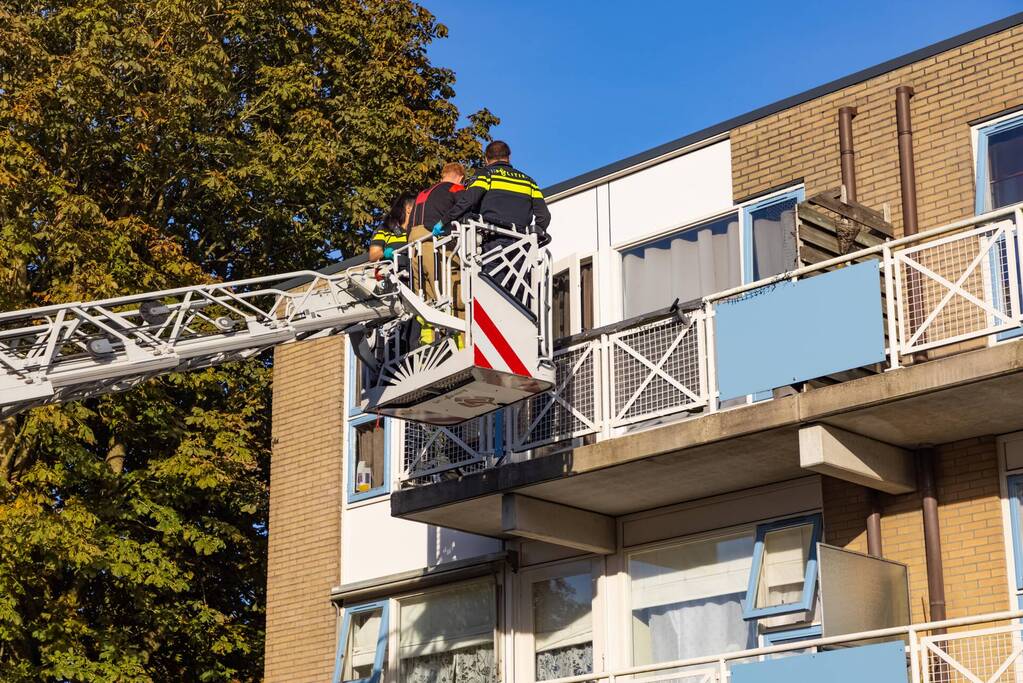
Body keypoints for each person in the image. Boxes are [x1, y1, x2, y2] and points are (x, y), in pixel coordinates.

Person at [441, 140, 551, 245]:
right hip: (522, 245)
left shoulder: (486, 175)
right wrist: (535, 235)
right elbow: (544, 216)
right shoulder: (529, 181)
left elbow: (468, 201)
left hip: (493, 242)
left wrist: (443, 222)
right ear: (509, 157)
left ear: (486, 159)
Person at [368, 192, 415, 263]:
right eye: (418, 207)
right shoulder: (386, 229)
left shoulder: (417, 230)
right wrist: (385, 253)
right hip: (393, 272)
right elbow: (373, 255)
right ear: (409, 208)